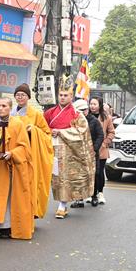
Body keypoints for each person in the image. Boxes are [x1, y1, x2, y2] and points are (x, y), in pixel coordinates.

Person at [0, 97, 34, 239]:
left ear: (10, 108)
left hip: (11, 165)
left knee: (8, 197)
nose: (0, 108)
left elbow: (24, 147)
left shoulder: (17, 124)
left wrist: (12, 153)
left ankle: (7, 227)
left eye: (4, 106)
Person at [44, 85, 93, 219]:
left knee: (64, 177)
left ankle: (62, 205)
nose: (63, 97)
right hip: (50, 147)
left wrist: (61, 132)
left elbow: (82, 131)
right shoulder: (50, 113)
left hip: (68, 151)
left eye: (66, 95)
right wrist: (50, 131)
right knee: (51, 177)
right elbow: (41, 127)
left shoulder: (77, 114)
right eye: (61, 95)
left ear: (71, 97)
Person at [13, 83, 54, 219]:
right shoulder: (10, 112)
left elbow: (47, 134)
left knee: (28, 183)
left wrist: (34, 130)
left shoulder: (35, 114)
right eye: (18, 95)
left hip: (30, 152)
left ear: (28, 97)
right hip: (12, 151)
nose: (20, 97)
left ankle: (29, 212)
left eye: (23, 95)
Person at [71, 99, 104, 209]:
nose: (83, 112)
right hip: (78, 153)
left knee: (93, 175)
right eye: (80, 110)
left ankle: (94, 196)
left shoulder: (94, 121)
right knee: (78, 176)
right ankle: (79, 199)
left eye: (84, 110)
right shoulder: (74, 121)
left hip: (91, 153)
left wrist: (94, 148)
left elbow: (100, 135)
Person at [89, 96, 115, 206]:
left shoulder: (106, 117)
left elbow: (111, 132)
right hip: (89, 150)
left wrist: (104, 143)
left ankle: (100, 193)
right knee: (90, 173)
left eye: (95, 104)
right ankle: (91, 193)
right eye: (91, 104)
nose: (92, 106)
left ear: (99, 105)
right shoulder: (86, 116)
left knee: (99, 172)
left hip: (101, 150)